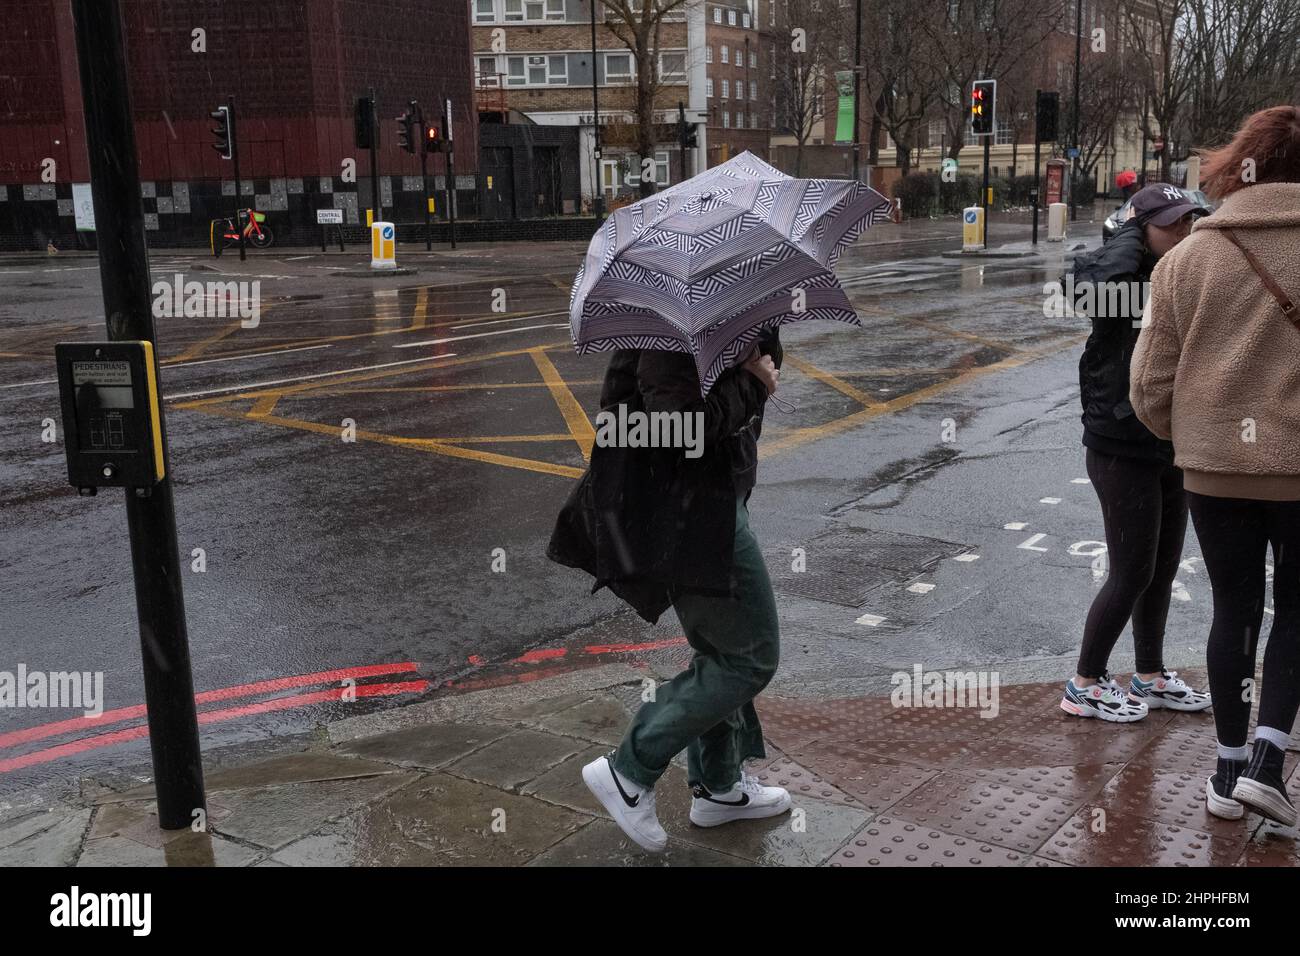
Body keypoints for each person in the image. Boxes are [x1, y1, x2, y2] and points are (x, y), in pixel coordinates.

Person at [548, 330, 791, 852]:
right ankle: (629, 769)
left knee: (722, 650)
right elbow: (673, 429)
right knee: (747, 658)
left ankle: (720, 787)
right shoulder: (675, 324)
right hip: (690, 515)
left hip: (711, 503)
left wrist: (757, 362)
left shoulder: (724, 306)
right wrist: (752, 383)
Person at [1131, 105, 1300, 826]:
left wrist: (1193, 437)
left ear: (1240, 163)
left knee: (1233, 607)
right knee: (1295, 608)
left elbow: (1148, 385)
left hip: (1211, 470)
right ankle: (1270, 760)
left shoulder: (1189, 257)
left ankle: (1228, 772)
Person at [1062, 183, 1212, 723]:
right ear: (1139, 228)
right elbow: (1083, 295)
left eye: (1189, 221)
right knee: (1130, 571)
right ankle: (1085, 682)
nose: (1184, 231)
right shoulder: (1114, 278)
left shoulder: (1184, 271)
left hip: (1171, 439)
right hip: (1118, 444)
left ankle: (1149, 674)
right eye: (1170, 223)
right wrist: (1127, 240)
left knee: (1162, 569)